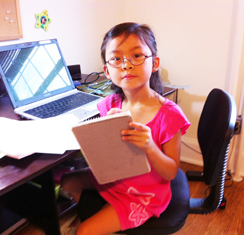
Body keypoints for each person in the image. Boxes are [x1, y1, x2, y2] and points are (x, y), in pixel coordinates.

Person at [61, 22, 191, 235]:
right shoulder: (111, 104)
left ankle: (101, 221)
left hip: (142, 194)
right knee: (67, 180)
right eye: (116, 58)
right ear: (107, 70)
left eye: (137, 56)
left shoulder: (169, 114)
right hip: (114, 178)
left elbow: (170, 171)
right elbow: (108, 154)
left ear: (155, 62)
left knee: (84, 232)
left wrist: (150, 147)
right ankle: (93, 215)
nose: (126, 65)